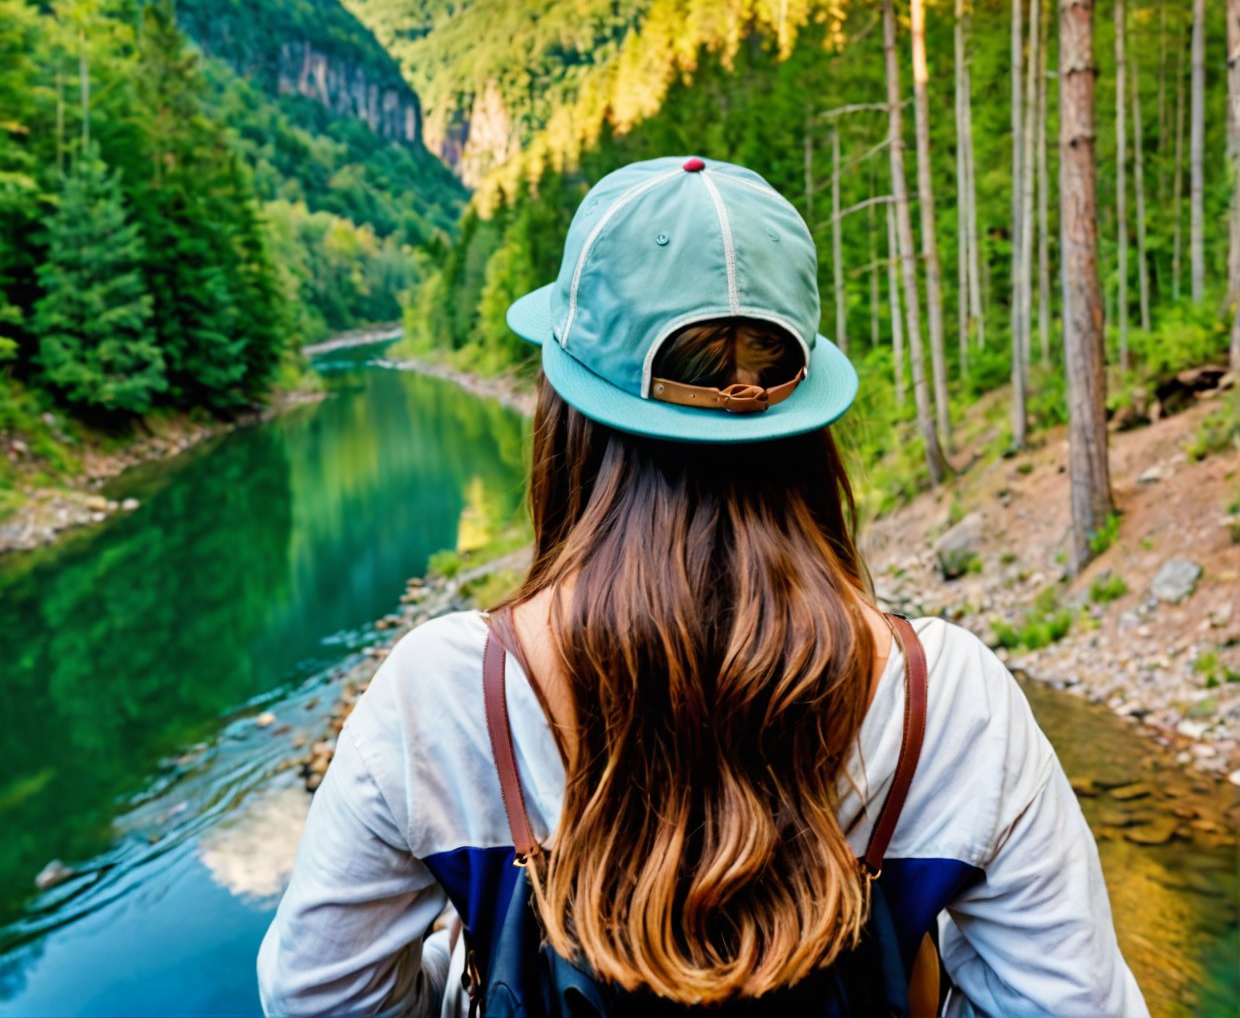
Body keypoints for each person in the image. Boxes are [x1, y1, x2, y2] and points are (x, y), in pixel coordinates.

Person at [258, 156, 1148, 1017]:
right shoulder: (946, 698)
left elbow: (314, 992)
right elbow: (1076, 1003)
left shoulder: (445, 692)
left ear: (565, 415)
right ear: (807, 424)